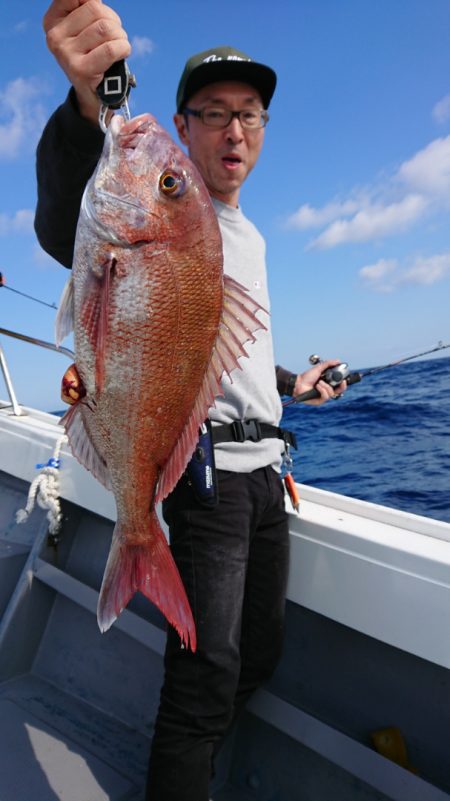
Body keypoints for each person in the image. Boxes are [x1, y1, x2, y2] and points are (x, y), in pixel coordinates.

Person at [35, 3, 346, 799]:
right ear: (184, 123)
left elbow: (219, 346)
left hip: (266, 471)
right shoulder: (175, 217)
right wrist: (87, 105)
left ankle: (200, 757)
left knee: (260, 653)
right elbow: (69, 210)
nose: (233, 132)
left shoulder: (250, 235)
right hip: (204, 478)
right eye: (214, 115)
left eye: (248, 115)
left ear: (264, 128)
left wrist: (290, 387)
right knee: (205, 677)